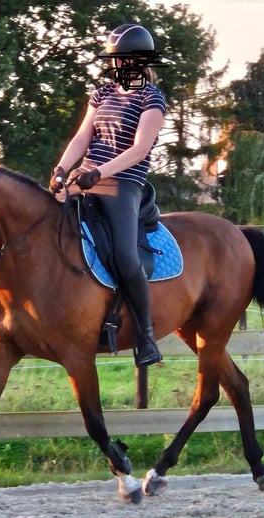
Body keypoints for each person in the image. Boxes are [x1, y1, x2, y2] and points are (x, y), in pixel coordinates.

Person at [49, 23, 166, 367]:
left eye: (121, 60)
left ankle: (145, 337)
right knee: (45, 225)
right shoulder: (102, 93)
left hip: (122, 184)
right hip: (85, 176)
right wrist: (61, 169)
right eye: (113, 60)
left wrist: (99, 173)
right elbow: (81, 138)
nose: (115, 66)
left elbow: (140, 149)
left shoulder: (151, 99)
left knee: (126, 257)